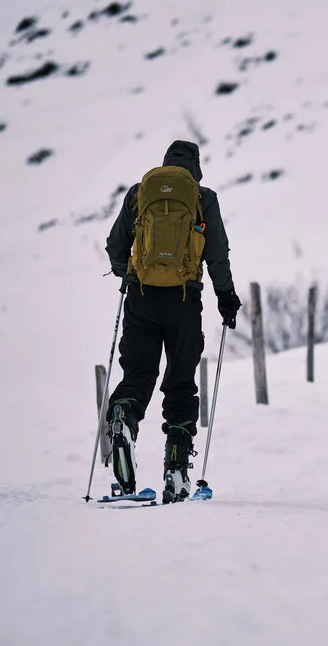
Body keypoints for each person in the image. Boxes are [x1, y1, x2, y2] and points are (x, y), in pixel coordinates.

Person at [104, 140, 241, 503]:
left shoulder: (139, 193)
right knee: (180, 382)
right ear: (195, 168)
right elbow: (217, 255)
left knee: (137, 374)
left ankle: (124, 417)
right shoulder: (203, 197)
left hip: (142, 298)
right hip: (184, 300)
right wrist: (226, 297)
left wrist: (127, 276)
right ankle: (177, 470)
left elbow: (115, 245)